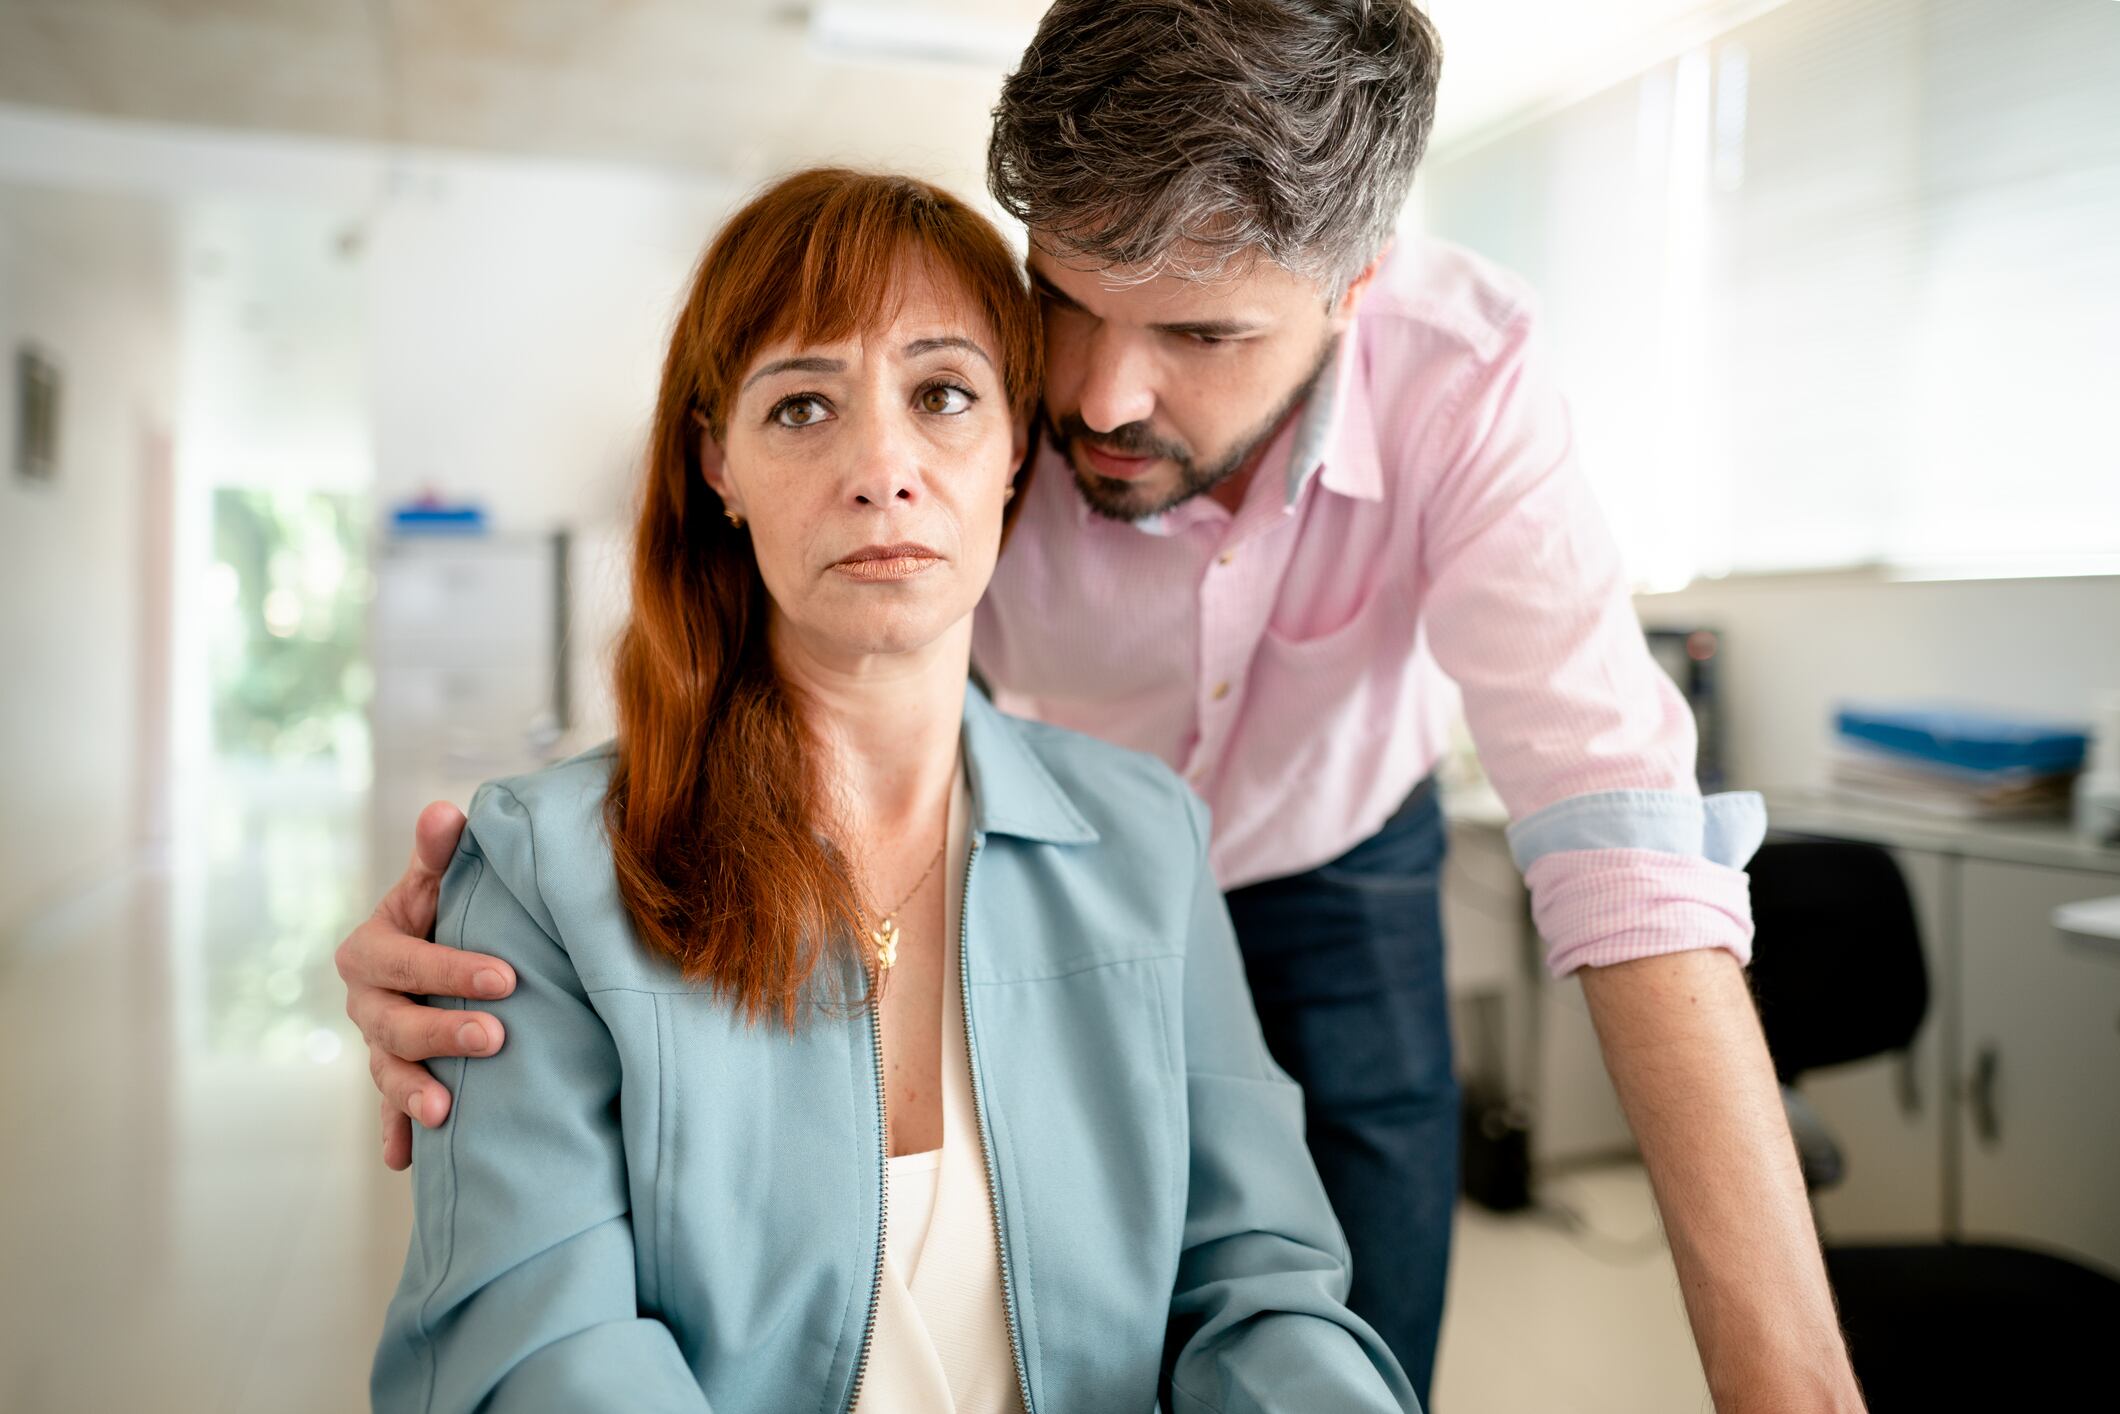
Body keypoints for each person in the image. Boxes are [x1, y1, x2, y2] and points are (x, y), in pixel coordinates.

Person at [344, 4, 1864, 1408]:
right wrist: (527, 886)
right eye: (1068, 300)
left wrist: (1793, 1387)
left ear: (1354, 290)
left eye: (1202, 335)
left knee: (1346, 1302)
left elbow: (1625, 848)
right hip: (1044, 857)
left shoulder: (1464, 386)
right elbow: (793, 643)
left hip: (1322, 853)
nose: (1101, 397)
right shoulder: (976, 373)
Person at [367, 166, 1415, 1414]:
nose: (882, 467)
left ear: (1015, 447)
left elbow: (1254, 1287)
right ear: (718, 464)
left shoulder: (1147, 839)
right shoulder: (545, 872)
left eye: (942, 394)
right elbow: (538, 1355)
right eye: (803, 407)